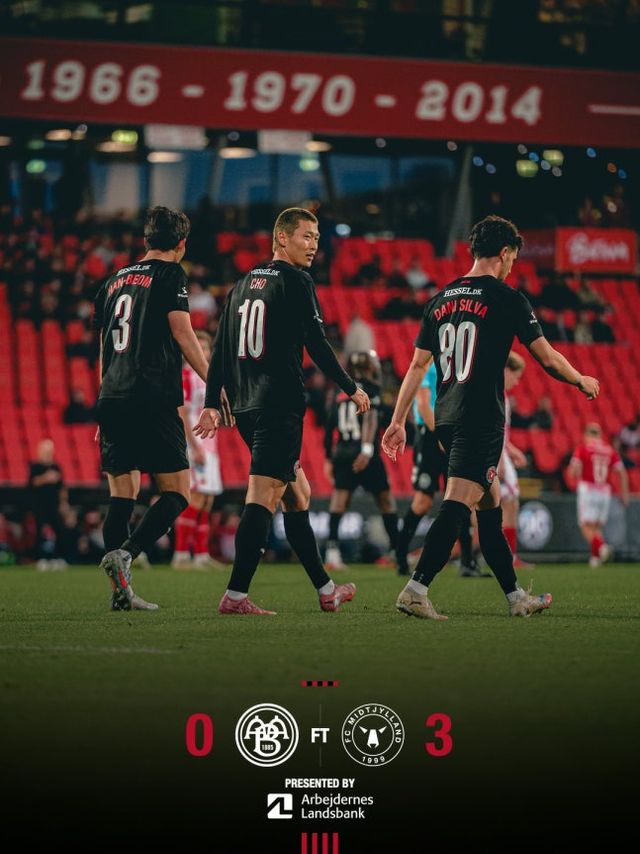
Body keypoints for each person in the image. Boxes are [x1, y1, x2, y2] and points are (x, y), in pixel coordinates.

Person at [382, 215, 600, 619]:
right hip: (479, 417)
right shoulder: (506, 298)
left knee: (490, 507)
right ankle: (415, 589)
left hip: (447, 418)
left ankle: (516, 597)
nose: (512, 265)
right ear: (504, 252)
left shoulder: (440, 299)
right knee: (457, 504)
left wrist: (397, 421)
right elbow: (548, 359)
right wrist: (580, 379)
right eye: (513, 257)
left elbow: (416, 366)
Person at [195, 207, 370, 615]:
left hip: (246, 406)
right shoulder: (296, 280)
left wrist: (212, 403)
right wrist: (351, 387)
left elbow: (219, 350)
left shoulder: (241, 285)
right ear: (281, 238)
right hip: (278, 405)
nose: (313, 245)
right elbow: (317, 344)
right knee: (264, 495)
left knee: (297, 494)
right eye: (306, 236)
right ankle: (235, 595)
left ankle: (326, 590)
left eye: (316, 238)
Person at [94, 206, 210, 611]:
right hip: (152, 394)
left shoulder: (114, 280)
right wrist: (216, 382)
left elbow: (105, 348)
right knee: (178, 492)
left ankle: (120, 594)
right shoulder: (171, 274)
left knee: (121, 495)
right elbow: (183, 333)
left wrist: (103, 402)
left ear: (146, 240)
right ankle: (127, 554)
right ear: (181, 244)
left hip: (112, 397)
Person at [394, 360, 484, 578]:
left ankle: (467, 563)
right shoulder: (428, 366)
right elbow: (423, 405)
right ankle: (400, 556)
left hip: (453, 433)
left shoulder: (456, 364)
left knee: (460, 495)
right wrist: (440, 434)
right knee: (423, 501)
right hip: (431, 436)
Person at [323, 350, 398, 570]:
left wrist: (328, 458)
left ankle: (332, 552)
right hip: (365, 453)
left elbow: (329, 426)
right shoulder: (371, 389)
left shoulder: (340, 391)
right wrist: (366, 450)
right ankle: (396, 551)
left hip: (342, 453)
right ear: (369, 367)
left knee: (339, 501)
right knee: (385, 500)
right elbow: (371, 418)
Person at [172, 330, 225, 570]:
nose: (203, 352)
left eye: (206, 348)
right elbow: (182, 412)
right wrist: (194, 447)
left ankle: (202, 555)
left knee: (207, 500)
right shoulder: (185, 375)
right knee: (195, 498)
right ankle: (181, 554)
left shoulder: (209, 378)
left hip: (210, 445)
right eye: (199, 348)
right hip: (195, 443)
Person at [567, 423, 629, 567]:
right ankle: (596, 559)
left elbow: (572, 471)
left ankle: (601, 547)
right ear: (600, 435)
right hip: (604, 492)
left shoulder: (583, 449)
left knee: (585, 526)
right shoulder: (610, 450)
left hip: (588, 489)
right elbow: (622, 473)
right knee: (596, 527)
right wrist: (624, 493)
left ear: (587, 434)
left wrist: (576, 470)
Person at [498, 352, 534, 570]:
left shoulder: (501, 394)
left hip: (501, 452)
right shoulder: (497, 395)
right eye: (516, 376)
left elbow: (502, 432)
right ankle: (505, 557)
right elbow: (493, 430)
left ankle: (506, 556)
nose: (517, 382)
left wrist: (511, 450)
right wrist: (500, 459)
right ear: (506, 370)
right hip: (495, 454)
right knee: (506, 503)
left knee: (508, 502)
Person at [28, 438, 67, 570]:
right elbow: (32, 483)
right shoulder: (35, 466)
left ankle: (58, 557)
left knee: (59, 530)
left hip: (54, 505)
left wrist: (63, 503)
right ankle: (41, 558)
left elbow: (62, 487)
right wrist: (46, 478)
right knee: (40, 531)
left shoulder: (56, 467)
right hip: (40, 505)